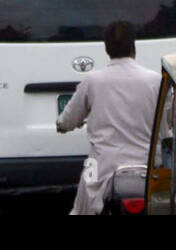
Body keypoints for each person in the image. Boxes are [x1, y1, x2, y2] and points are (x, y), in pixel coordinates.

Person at [56, 20, 161, 215]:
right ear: (133, 47)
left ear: (107, 49)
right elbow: (167, 126)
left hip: (100, 167)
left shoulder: (93, 81)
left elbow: (66, 120)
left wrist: (62, 125)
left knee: (82, 204)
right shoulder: (155, 81)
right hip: (147, 168)